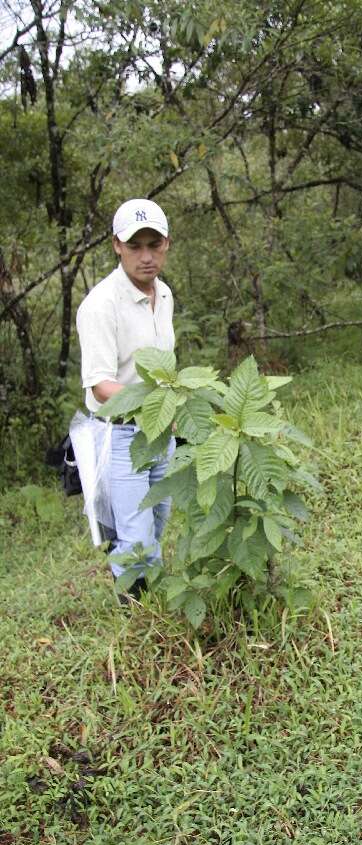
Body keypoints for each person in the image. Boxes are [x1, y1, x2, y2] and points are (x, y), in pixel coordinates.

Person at [76, 198, 176, 601]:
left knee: (157, 520)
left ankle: (152, 605)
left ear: (167, 243)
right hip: (119, 437)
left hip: (159, 431)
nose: (146, 257)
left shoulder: (164, 295)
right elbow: (100, 384)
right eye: (135, 246)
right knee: (134, 538)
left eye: (155, 245)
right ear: (117, 245)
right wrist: (162, 403)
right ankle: (138, 617)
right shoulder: (100, 305)